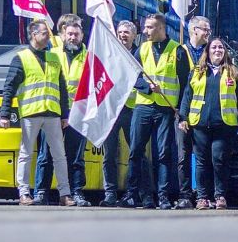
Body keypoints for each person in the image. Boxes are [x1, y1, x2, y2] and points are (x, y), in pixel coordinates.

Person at [0, 19, 75, 207]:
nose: (48, 35)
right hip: (31, 113)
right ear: (33, 34)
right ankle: (24, 193)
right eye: (44, 33)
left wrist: (65, 114)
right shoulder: (21, 58)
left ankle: (65, 194)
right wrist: (5, 114)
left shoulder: (54, 58)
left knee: (59, 155)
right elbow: (9, 87)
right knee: (26, 153)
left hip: (52, 113)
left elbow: (62, 89)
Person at [120, 13, 191, 209]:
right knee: (135, 151)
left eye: (150, 27)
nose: (145, 31)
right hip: (143, 106)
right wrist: (146, 87)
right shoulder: (142, 49)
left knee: (163, 154)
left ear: (161, 28)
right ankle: (131, 195)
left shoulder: (177, 51)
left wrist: (182, 113)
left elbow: (186, 84)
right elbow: (132, 76)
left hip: (165, 109)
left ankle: (164, 197)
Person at [179, 38, 238, 209]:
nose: (218, 50)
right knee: (201, 161)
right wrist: (183, 118)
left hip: (224, 125)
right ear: (207, 51)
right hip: (200, 124)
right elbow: (187, 96)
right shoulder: (197, 71)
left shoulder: (234, 72)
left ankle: (220, 196)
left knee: (219, 160)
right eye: (214, 47)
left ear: (225, 51)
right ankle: (202, 197)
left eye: (221, 47)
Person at [35, 14, 91, 206]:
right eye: (69, 34)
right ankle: (41, 192)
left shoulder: (90, 58)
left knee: (75, 157)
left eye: (76, 34)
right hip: (54, 112)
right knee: (46, 155)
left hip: (78, 114)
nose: (73, 37)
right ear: (62, 35)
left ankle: (75, 193)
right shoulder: (52, 55)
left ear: (82, 35)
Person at [100, 20, 154, 207]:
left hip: (132, 109)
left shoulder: (139, 54)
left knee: (137, 153)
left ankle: (145, 194)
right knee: (109, 155)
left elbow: (140, 79)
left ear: (134, 35)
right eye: (120, 32)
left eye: (127, 32)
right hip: (112, 110)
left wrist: (146, 88)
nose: (123, 35)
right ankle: (110, 194)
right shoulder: (109, 54)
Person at [174, 15, 212, 209]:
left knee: (204, 156)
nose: (208, 33)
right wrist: (181, 114)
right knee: (183, 155)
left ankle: (203, 195)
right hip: (182, 113)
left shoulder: (212, 51)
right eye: (205, 29)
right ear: (194, 30)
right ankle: (185, 195)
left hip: (204, 115)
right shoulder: (180, 52)